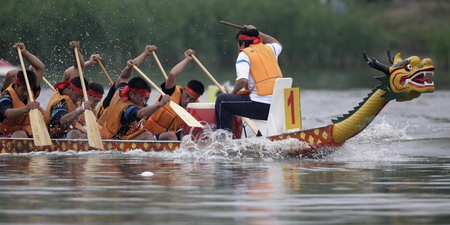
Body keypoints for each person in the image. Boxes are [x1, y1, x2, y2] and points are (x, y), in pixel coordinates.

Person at [215, 25, 283, 134]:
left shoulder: (244, 55)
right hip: (278, 107)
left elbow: (242, 81)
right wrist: (256, 31)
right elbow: (277, 43)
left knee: (222, 100)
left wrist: (233, 92)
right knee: (239, 96)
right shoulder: (270, 49)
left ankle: (224, 139)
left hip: (261, 108)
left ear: (242, 44)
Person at [143, 49, 205, 140]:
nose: (187, 101)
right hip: (149, 134)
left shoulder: (195, 106)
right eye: (187, 96)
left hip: (168, 137)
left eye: (192, 99)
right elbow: (172, 74)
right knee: (171, 135)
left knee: (192, 136)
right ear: (183, 89)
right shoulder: (171, 91)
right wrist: (187, 59)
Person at [43, 42, 94, 139]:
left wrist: (75, 50)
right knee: (76, 134)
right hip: (54, 136)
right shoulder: (60, 102)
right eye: (79, 96)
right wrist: (80, 109)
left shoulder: (71, 87)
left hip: (68, 130)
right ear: (70, 89)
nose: (79, 99)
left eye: (81, 97)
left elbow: (79, 66)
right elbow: (62, 120)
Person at [98, 76, 171, 140]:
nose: (144, 101)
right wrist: (160, 104)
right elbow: (141, 113)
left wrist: (130, 66)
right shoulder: (128, 109)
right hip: (113, 140)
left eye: (145, 97)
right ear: (131, 95)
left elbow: (123, 77)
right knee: (147, 135)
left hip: (112, 136)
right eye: (142, 97)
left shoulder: (121, 90)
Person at [0, 70, 40, 138]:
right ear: (15, 85)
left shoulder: (31, 92)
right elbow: (7, 113)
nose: (26, 93)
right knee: (21, 134)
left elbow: (40, 68)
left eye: (28, 90)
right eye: (23, 90)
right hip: (4, 133)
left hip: (22, 130)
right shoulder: (6, 95)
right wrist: (26, 108)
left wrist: (28, 61)